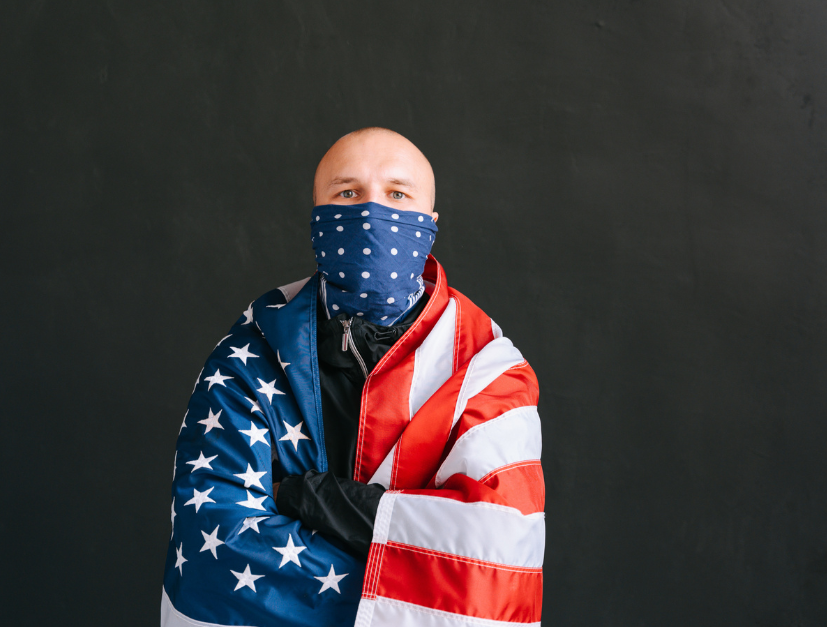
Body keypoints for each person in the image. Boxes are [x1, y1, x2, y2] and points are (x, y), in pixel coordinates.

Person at [162, 128, 546, 627]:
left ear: (430, 223)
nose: (370, 213)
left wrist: (309, 497)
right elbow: (218, 551)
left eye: (397, 195)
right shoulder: (249, 353)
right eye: (347, 193)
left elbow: (493, 561)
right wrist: (411, 563)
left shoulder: (488, 369)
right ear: (317, 218)